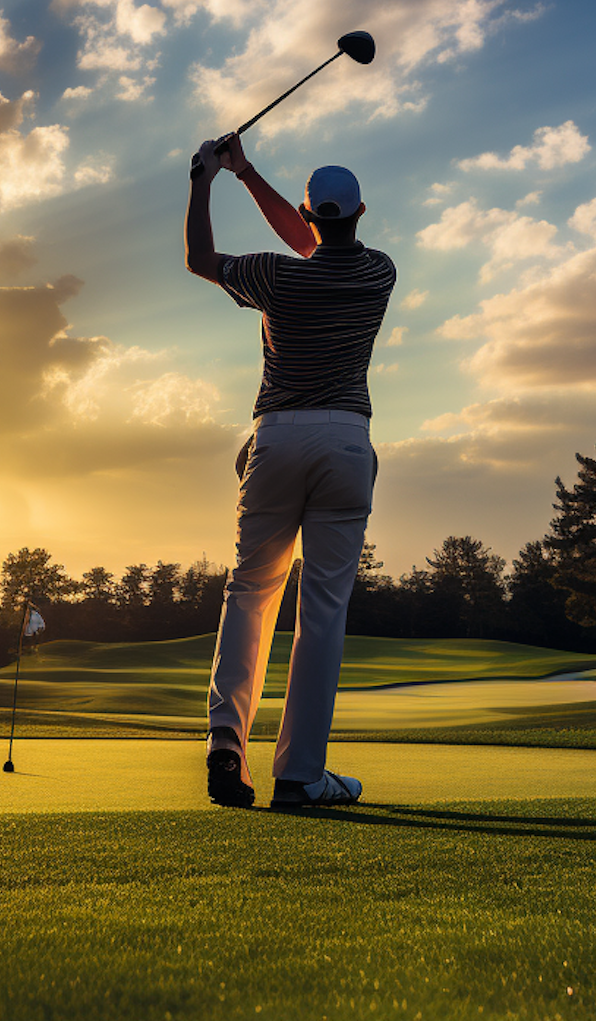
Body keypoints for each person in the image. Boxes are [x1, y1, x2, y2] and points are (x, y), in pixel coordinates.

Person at [184, 130, 396, 810]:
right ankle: (301, 776)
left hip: (274, 440)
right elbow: (316, 242)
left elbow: (199, 259)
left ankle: (225, 742)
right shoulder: (378, 272)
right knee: (322, 612)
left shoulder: (276, 276)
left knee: (250, 591)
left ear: (308, 216)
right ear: (359, 215)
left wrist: (209, 178)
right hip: (344, 443)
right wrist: (248, 173)